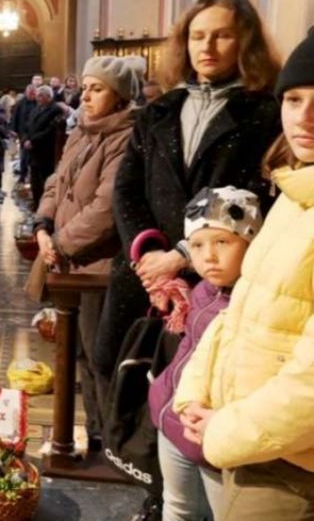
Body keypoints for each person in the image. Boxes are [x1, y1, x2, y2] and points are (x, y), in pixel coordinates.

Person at [104, 0, 281, 521]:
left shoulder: (264, 110)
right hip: (144, 270)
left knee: (190, 393)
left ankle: (176, 505)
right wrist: (150, 252)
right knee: (131, 379)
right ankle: (152, 495)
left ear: (243, 40)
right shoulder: (161, 108)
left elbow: (256, 194)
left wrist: (183, 255)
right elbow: (127, 188)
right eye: (197, 35)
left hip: (214, 279)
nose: (208, 45)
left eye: (222, 34)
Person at [172, 31, 314, 519]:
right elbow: (240, 317)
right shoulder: (295, 192)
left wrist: (224, 432)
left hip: (292, 462)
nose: (304, 117)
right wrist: (193, 393)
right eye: (294, 99)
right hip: (253, 440)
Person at [33, 55, 140, 452]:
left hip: (97, 266)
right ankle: (95, 431)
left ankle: (114, 439)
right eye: (86, 88)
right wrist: (43, 225)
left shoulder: (126, 136)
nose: (87, 96)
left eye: (97, 89)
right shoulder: (83, 131)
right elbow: (55, 182)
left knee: (100, 355)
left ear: (119, 95)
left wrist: (60, 242)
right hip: (67, 260)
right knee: (76, 350)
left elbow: (105, 208)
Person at [145, 187, 261, 520]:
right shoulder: (202, 291)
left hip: (212, 434)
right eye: (197, 245)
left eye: (223, 242)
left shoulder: (250, 303)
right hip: (173, 422)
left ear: (251, 243)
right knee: (177, 506)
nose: (208, 256)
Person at [23, 85, 62, 210]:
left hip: (45, 150)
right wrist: (25, 139)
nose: (37, 98)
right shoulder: (36, 108)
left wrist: (32, 140)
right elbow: (28, 125)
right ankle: (36, 203)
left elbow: (50, 130)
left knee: (45, 179)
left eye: (40, 95)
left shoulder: (55, 110)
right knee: (34, 179)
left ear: (48, 97)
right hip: (33, 150)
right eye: (37, 95)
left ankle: (46, 206)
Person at [11, 85, 38, 184]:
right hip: (22, 132)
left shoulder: (38, 102)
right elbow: (15, 117)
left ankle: (32, 176)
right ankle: (23, 175)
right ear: (26, 93)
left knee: (33, 155)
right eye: (30, 93)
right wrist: (13, 130)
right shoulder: (20, 103)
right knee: (24, 155)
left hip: (34, 133)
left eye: (33, 93)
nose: (31, 95)